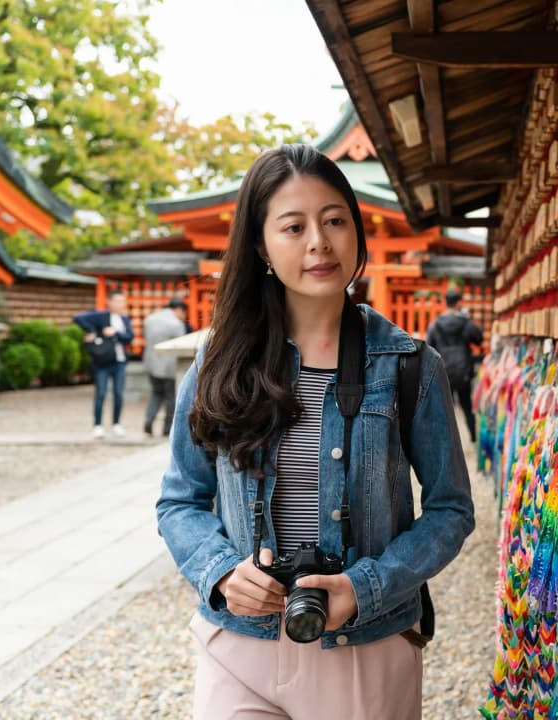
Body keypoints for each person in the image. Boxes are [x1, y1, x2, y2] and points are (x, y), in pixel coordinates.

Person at [156, 145, 475, 720]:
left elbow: (451, 510)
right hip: (240, 645)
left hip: (367, 646)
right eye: (293, 226)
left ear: (357, 228)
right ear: (261, 246)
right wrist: (223, 572)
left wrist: (365, 586)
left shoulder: (408, 364)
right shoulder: (219, 360)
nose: (318, 243)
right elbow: (180, 499)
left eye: (334, 220)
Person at [74, 291, 134, 438]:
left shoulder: (124, 319)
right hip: (103, 361)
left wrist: (115, 333)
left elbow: (129, 337)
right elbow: (78, 318)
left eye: (122, 301)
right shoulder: (100, 316)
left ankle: (116, 424)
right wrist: (93, 332)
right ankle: (98, 425)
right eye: (118, 301)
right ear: (110, 302)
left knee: (119, 393)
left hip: (119, 361)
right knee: (100, 394)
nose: (121, 304)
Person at [426, 289, 483, 443]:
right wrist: (469, 319)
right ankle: (472, 437)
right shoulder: (465, 322)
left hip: (443, 370)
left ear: (446, 302)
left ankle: (445, 441)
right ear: (459, 303)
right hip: (463, 370)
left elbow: (429, 347)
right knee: (466, 405)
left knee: (444, 408)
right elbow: (478, 339)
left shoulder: (435, 325)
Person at [142, 298, 189, 437]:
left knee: (156, 393)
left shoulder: (150, 319)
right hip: (169, 366)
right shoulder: (176, 324)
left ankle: (148, 420)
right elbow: (181, 345)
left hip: (151, 363)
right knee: (171, 397)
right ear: (179, 309)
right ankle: (167, 428)